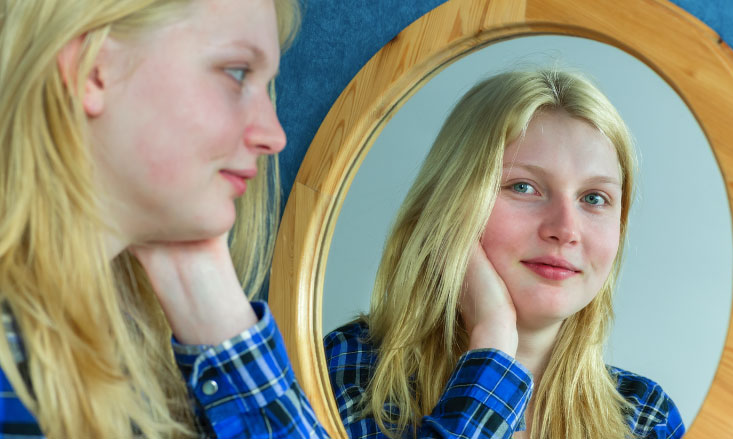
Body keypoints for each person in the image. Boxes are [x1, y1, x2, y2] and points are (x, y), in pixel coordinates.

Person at [0, 0, 329, 437]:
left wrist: (202, 290)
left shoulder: (119, 349)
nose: (274, 136)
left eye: (265, 86)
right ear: (92, 69)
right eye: (236, 73)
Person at [324, 70, 685, 439]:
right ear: (452, 205)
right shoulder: (353, 369)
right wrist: (493, 339)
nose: (566, 229)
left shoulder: (646, 418)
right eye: (523, 186)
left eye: (594, 198)